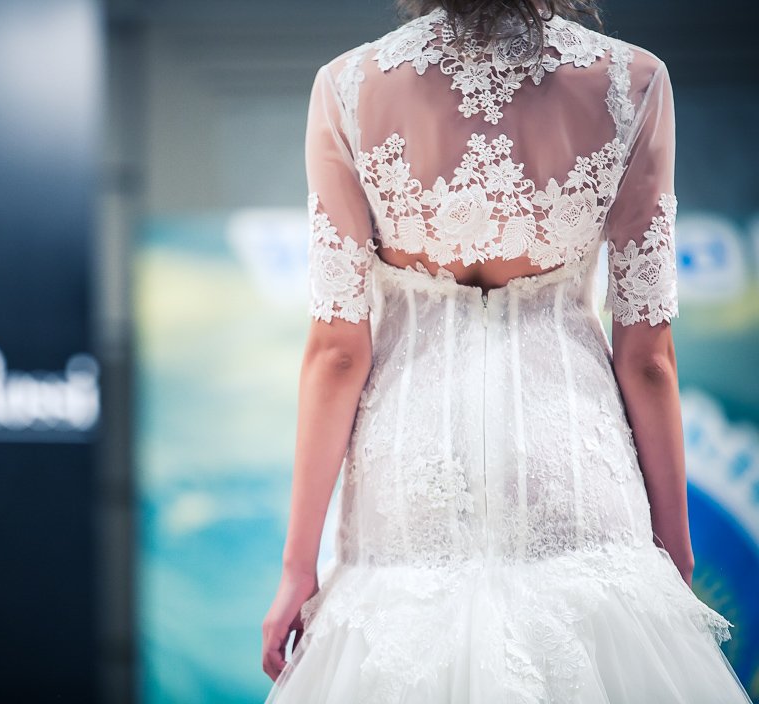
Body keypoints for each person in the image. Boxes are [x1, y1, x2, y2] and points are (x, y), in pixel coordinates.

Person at [260, 1, 754, 701]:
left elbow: (337, 355)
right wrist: (674, 550)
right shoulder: (632, 81)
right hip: (576, 486)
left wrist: (296, 569)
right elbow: (648, 355)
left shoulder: (349, 86)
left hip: (409, 494)